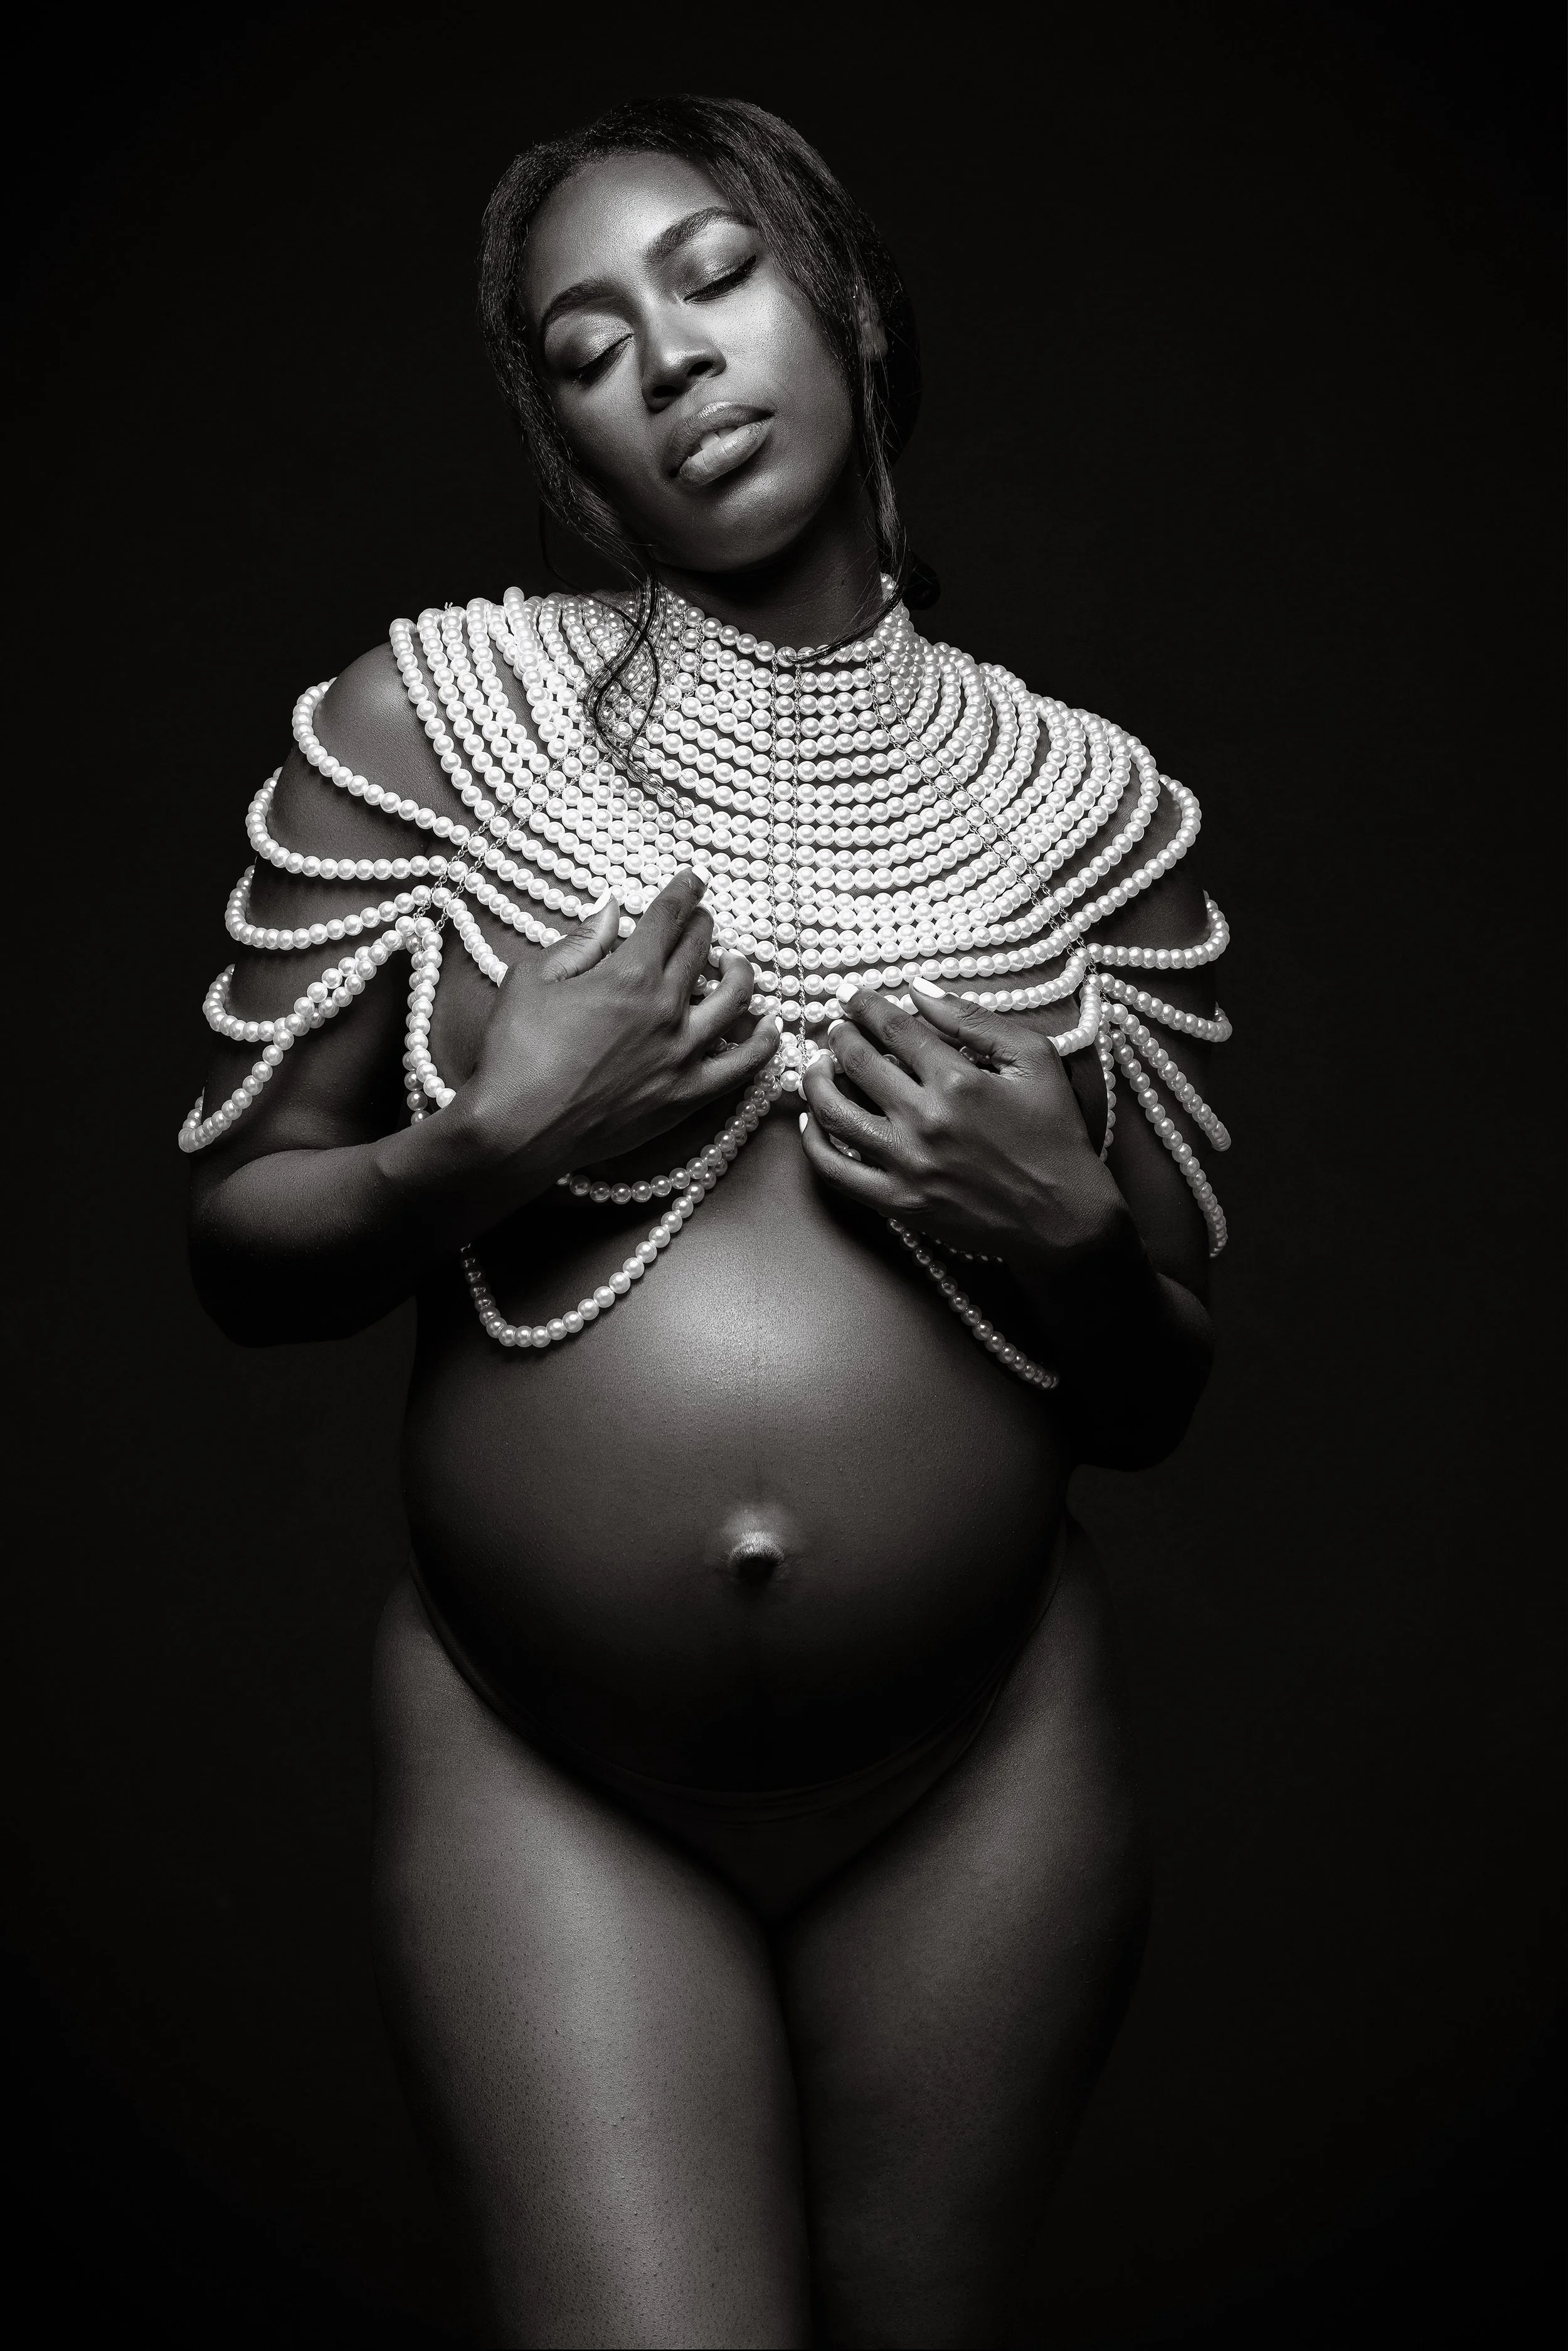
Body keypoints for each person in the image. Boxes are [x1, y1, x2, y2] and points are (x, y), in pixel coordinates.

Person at [183, 94, 1232, 2350]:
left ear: (842, 301)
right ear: (565, 443)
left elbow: (1156, 1382)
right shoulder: (428, 719)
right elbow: (235, 1240)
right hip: (541, 1752)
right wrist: (489, 1143)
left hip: (979, 1757)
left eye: (714, 276)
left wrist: (1058, 1230)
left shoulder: (1092, 814)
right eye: (584, 348)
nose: (665, 360)